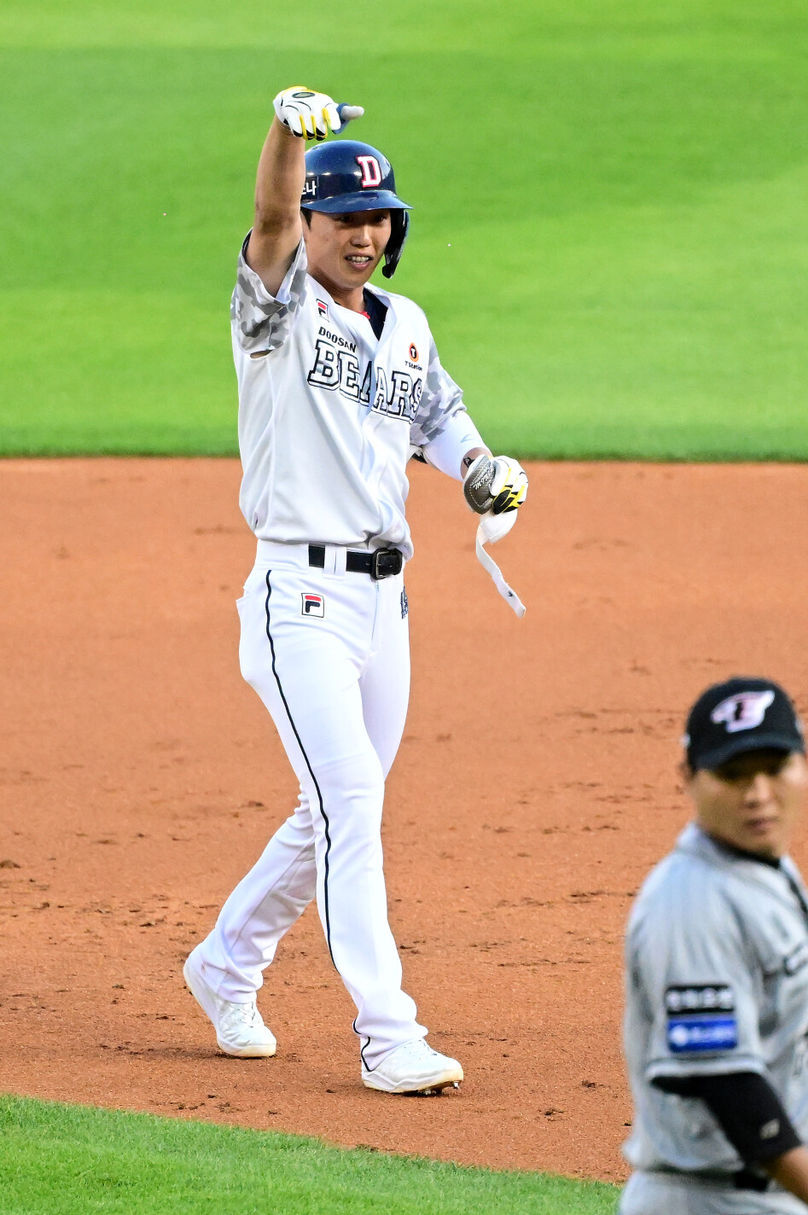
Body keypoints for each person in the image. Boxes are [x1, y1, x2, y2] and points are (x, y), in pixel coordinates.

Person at [183, 86, 528, 1096]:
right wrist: (289, 133)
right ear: (314, 226)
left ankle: (224, 964)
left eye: (380, 217)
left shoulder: (405, 321)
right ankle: (389, 1033)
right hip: (300, 604)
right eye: (345, 218)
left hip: (388, 604)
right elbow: (271, 219)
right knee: (350, 804)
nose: (364, 233)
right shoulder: (275, 311)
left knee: (337, 809)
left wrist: (478, 470)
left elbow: (437, 415)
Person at [620, 677, 808, 1214]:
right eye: (732, 776)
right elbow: (726, 1083)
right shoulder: (692, 904)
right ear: (689, 779)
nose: (757, 795)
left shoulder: (761, 867)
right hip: (715, 1200)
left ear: (805, 766)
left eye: (773, 771)